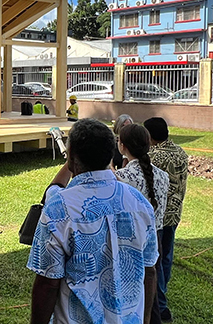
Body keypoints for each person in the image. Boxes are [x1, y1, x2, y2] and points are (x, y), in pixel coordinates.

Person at [28, 118, 158, 324]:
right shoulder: (139, 203)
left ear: (71, 156)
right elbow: (149, 270)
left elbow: (48, 283)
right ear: (111, 154)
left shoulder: (60, 207)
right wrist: (146, 318)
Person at [115, 123, 171, 324]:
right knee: (151, 295)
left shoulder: (120, 178)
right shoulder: (163, 176)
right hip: (155, 239)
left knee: (129, 294)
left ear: (122, 146)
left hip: (130, 241)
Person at [143, 117, 188, 323]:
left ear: (150, 136)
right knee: (167, 256)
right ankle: (162, 293)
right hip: (174, 213)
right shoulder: (181, 152)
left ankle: (160, 303)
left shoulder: (153, 156)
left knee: (156, 259)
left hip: (158, 216)